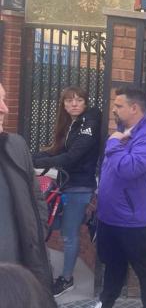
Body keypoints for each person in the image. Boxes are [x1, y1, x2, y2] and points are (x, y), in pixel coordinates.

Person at [95, 86, 146, 308]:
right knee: (113, 265)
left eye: (118, 106)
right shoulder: (123, 130)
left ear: (134, 108)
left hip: (138, 220)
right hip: (110, 216)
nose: (114, 110)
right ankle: (105, 303)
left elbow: (129, 168)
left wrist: (113, 143)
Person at [32, 86, 101, 297]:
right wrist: (30, 156)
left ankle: (66, 279)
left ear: (85, 102)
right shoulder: (73, 124)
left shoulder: (89, 123)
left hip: (79, 187)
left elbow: (73, 157)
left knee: (69, 236)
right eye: (69, 101)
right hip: (66, 185)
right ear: (63, 104)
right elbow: (60, 151)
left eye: (79, 100)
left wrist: (42, 161)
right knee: (52, 226)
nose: (74, 104)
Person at [0, 82, 53, 295]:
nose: (4, 108)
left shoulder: (16, 146)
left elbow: (36, 199)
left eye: (3, 99)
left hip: (21, 273)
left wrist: (38, 233)